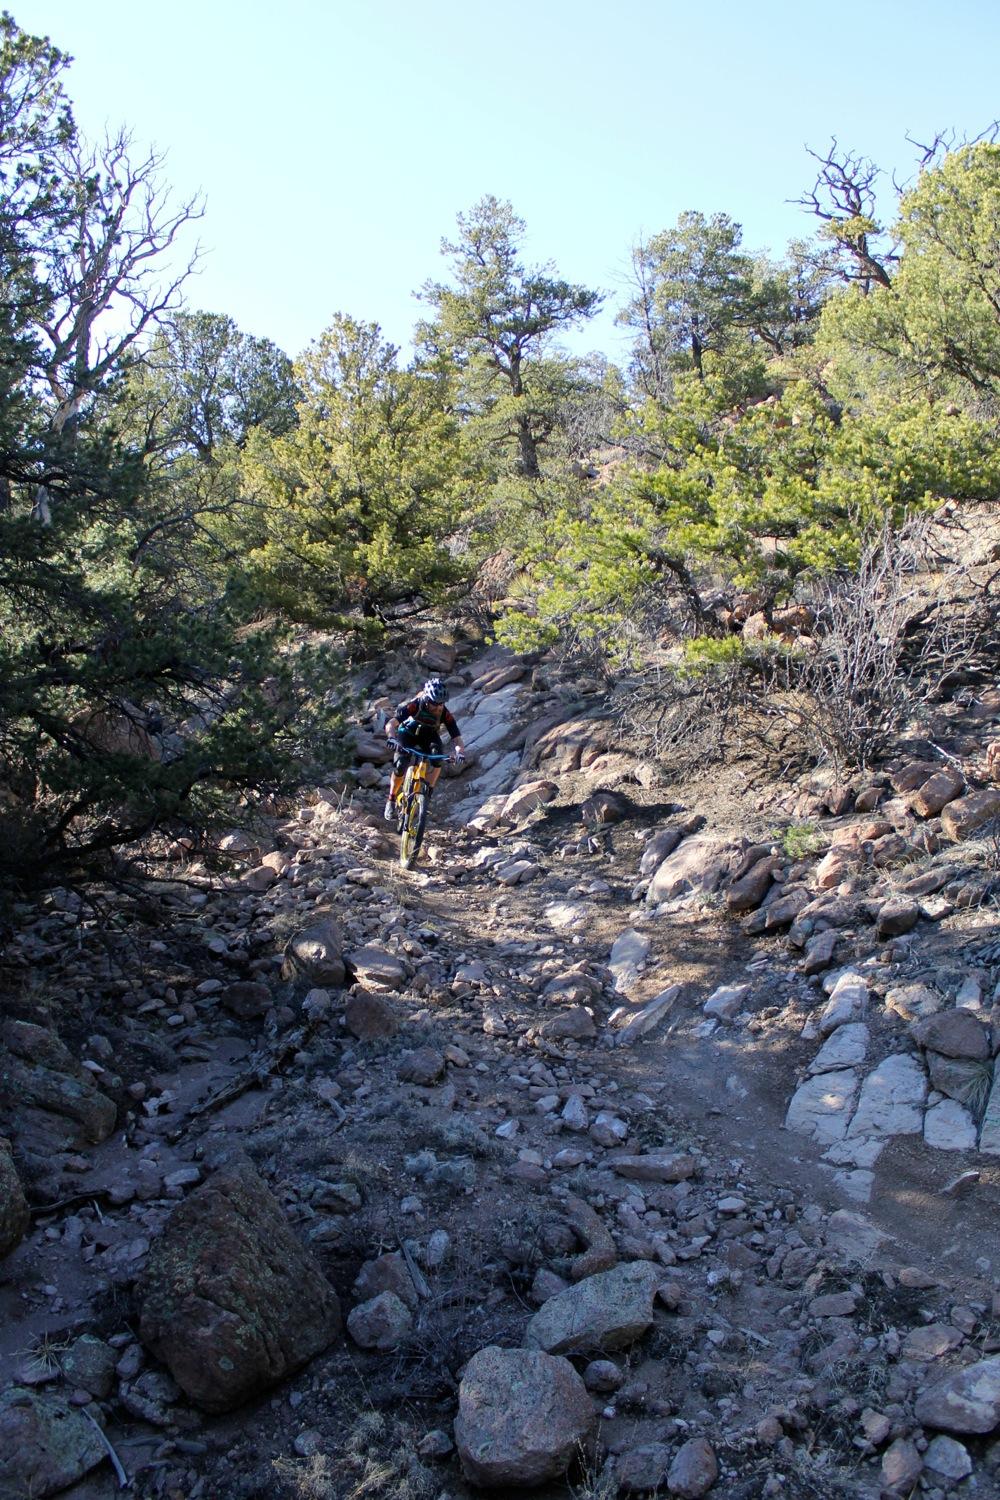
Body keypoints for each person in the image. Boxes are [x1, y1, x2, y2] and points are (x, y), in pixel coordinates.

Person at [384, 677, 465, 820]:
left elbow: (456, 737)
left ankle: (427, 793)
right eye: (435, 703)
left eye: (441, 703)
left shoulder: (444, 713)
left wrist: (459, 752)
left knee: (437, 757)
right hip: (408, 733)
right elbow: (391, 723)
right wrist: (391, 737)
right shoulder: (415, 705)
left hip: (429, 736)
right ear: (427, 698)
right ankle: (391, 799)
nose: (438, 707)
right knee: (401, 764)